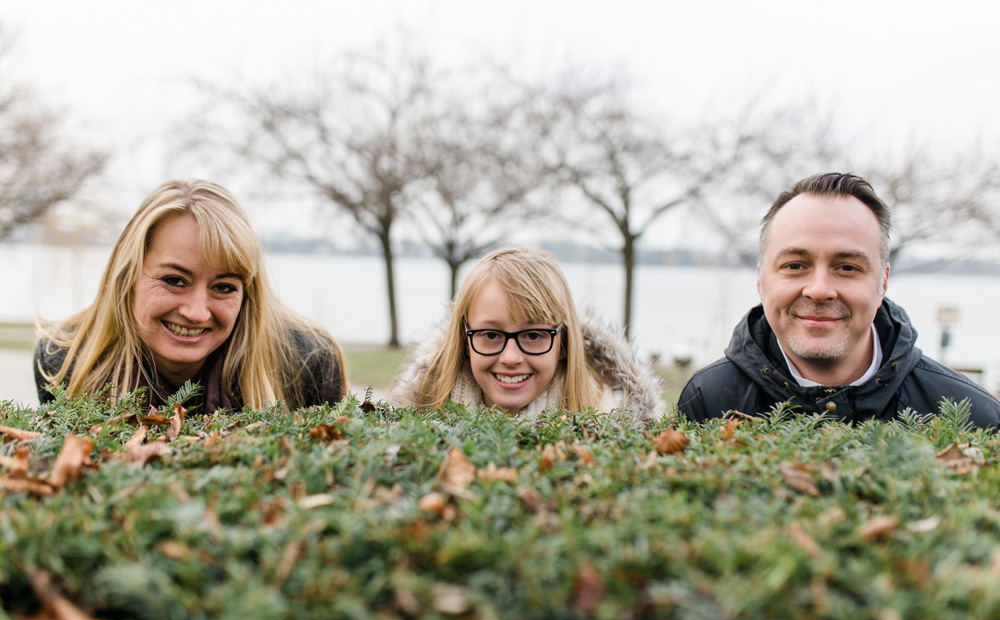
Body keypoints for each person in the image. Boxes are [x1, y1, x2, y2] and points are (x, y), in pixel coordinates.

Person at [678, 172, 1000, 429]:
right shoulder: (706, 402)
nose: (819, 290)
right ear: (761, 280)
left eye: (847, 267)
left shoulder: (976, 419)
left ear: (883, 282)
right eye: (795, 266)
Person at [34, 178, 347, 412]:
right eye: (174, 280)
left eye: (224, 287)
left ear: (247, 292)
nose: (197, 312)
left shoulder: (308, 361)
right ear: (128, 274)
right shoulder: (64, 361)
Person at [385, 247, 664, 420]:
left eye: (533, 335)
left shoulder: (609, 427)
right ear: (465, 341)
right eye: (491, 335)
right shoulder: (417, 421)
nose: (510, 357)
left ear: (564, 343)